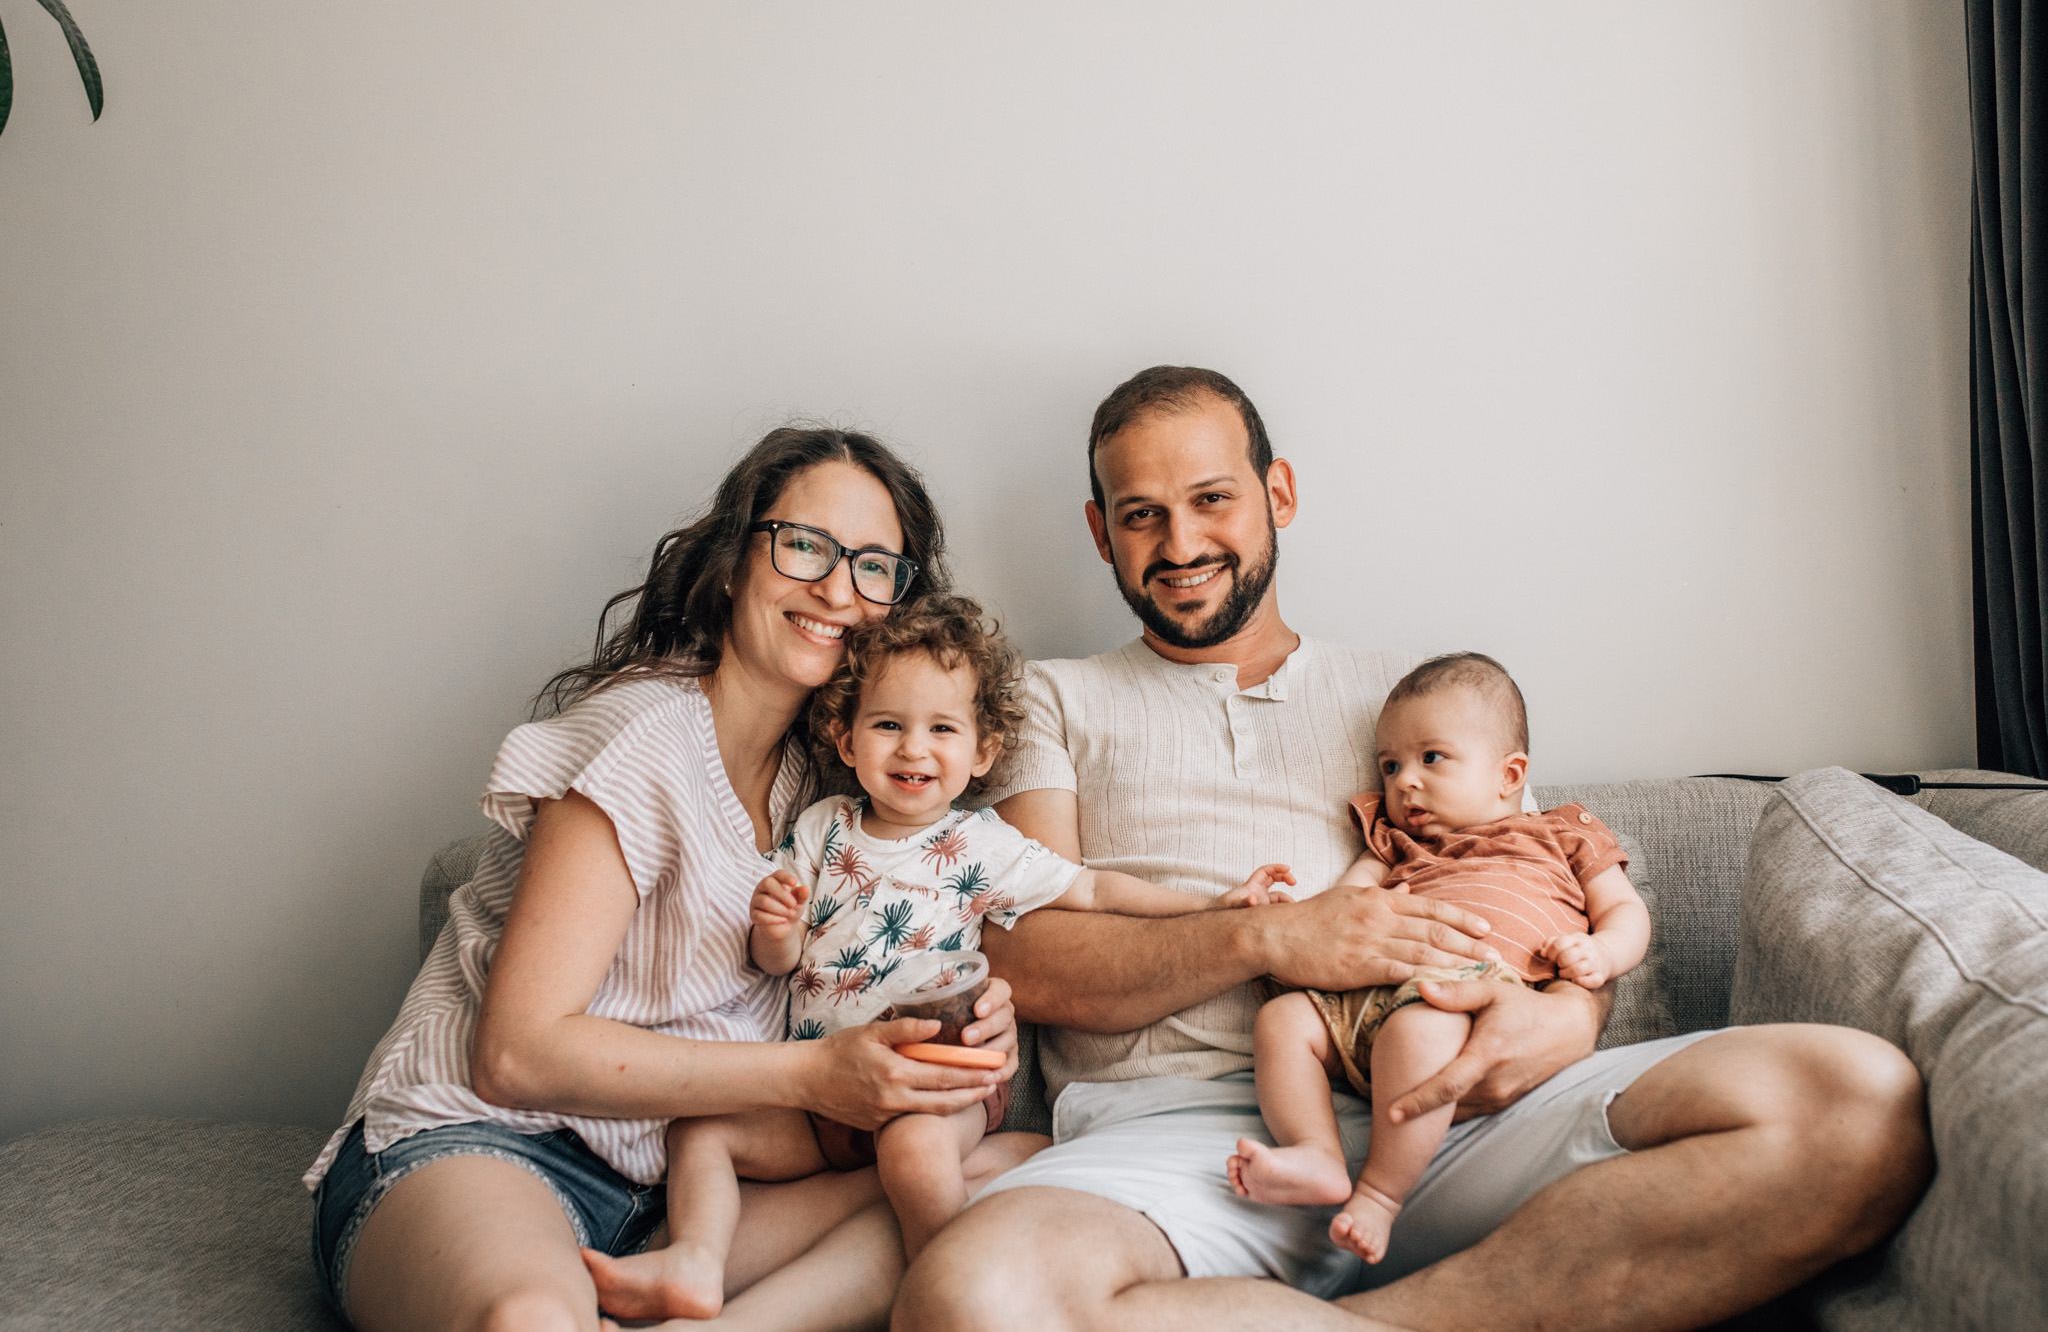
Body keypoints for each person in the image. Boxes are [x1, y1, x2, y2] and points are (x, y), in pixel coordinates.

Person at [895, 366, 1933, 1332]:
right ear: (1099, 531)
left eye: (1211, 498)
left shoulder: (1411, 695)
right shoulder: (1045, 699)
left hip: (1457, 1111)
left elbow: (1550, 890)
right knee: (969, 1295)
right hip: (1180, 1146)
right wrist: (1277, 940)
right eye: (1140, 515)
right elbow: (1028, 962)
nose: (1179, 542)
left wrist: (1565, 1020)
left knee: (1854, 1104)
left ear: (1277, 494)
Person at [304, 426, 1028, 1332]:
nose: (838, 588)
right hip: (489, 1145)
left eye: (874, 565)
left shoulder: (835, 788)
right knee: (530, 1319)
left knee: (1017, 1181)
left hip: (675, 1189)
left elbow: (858, 962)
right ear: (733, 564)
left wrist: (956, 1012)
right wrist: (810, 1075)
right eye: (804, 545)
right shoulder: (640, 738)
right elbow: (515, 1055)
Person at [584, 594, 1292, 1320]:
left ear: (982, 750)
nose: (913, 748)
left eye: (942, 728)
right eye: (888, 724)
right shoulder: (823, 827)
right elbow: (779, 960)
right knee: (701, 1130)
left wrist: (1211, 906)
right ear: (846, 736)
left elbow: (1093, 887)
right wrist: (775, 925)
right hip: (823, 1090)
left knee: (913, 1155)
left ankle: (944, 1286)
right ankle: (695, 1260)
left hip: (934, 1086)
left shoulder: (980, 844)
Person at [1228, 652, 1649, 1266]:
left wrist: (1601, 952)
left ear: (1510, 775)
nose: (1404, 781)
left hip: (1471, 993)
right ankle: (1315, 1153)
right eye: (1391, 765)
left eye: (1432, 758)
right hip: (1371, 991)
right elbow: (1342, 907)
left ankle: (1378, 1194)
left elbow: (1625, 911)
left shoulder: (1562, 832)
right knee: (1283, 1021)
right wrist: (1279, 916)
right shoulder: (1392, 842)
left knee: (1417, 1027)